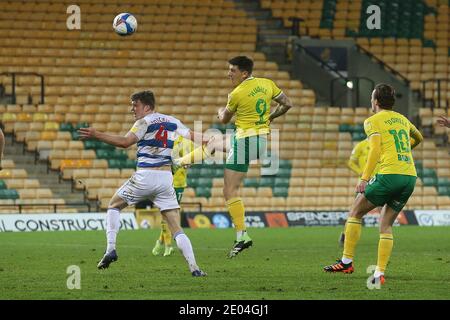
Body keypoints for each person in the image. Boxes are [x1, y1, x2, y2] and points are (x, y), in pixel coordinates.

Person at [78, 90, 207, 277]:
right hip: (165, 179)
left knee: (114, 205)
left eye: (135, 105)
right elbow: (196, 136)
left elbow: (125, 142)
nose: (132, 109)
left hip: (145, 176)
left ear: (147, 106)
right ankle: (195, 268)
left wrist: (97, 134)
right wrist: (214, 141)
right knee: (176, 227)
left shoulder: (143, 122)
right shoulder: (172, 121)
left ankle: (111, 249)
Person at [175, 56, 293, 258]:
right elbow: (287, 103)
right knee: (212, 143)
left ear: (244, 73)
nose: (229, 74)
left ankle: (242, 236)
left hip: (245, 141)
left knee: (229, 190)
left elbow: (223, 119)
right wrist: (270, 117)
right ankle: (180, 163)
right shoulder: (267, 84)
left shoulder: (236, 93)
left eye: (232, 70)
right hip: (259, 141)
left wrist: (220, 111)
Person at [323, 84, 423, 285]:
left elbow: (375, 150)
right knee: (385, 225)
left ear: (376, 101)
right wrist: (402, 151)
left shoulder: (372, 121)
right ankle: (379, 274)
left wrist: (364, 178)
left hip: (389, 174)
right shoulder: (402, 119)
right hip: (409, 176)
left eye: (371, 98)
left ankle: (346, 262)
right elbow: (418, 138)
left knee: (355, 213)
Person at [152, 136, 193, 257]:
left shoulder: (186, 142)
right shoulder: (163, 141)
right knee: (166, 213)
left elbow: (191, 159)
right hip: (164, 180)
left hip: (179, 182)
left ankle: (161, 242)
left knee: (171, 214)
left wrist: (189, 163)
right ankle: (168, 245)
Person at [338, 138, 381, 246]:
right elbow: (351, 162)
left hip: (380, 180)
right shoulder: (361, 145)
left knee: (383, 209)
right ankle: (345, 235)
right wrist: (361, 173)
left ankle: (384, 237)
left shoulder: (381, 143)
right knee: (356, 210)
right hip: (365, 182)